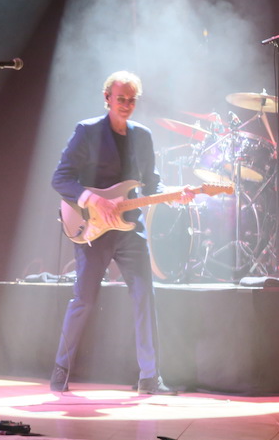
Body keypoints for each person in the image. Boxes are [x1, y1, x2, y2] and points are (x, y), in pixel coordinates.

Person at [50, 70, 193, 394]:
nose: (126, 105)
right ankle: (60, 372)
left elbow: (152, 184)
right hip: (92, 227)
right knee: (84, 300)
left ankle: (149, 378)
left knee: (144, 297)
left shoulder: (142, 136)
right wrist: (93, 200)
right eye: (121, 99)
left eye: (131, 100)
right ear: (107, 98)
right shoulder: (87, 131)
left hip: (130, 229)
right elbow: (60, 178)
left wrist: (176, 194)